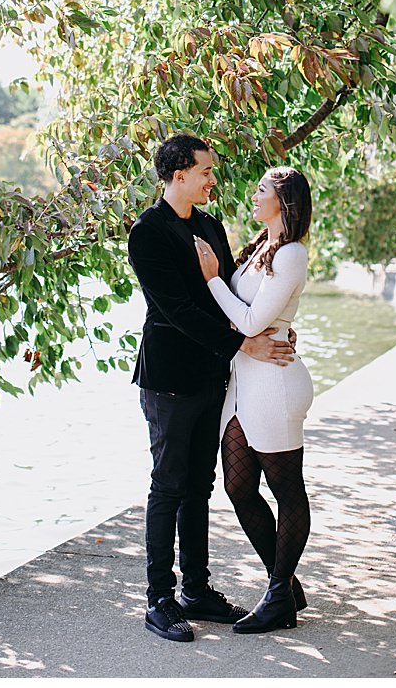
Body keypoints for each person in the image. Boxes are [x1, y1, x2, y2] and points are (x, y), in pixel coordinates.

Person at [126, 134, 297, 643]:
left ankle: (196, 590)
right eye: (205, 171)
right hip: (170, 381)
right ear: (179, 173)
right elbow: (176, 310)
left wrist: (273, 327)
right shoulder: (147, 233)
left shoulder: (209, 225)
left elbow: (227, 293)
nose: (212, 179)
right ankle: (160, 598)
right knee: (169, 484)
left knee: (199, 486)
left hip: (212, 377)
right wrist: (245, 346)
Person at [193, 167, 316, 634]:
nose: (254, 194)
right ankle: (283, 585)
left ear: (283, 201)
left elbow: (249, 321)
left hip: (276, 383)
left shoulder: (292, 255)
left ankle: (277, 594)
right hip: (244, 382)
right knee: (239, 488)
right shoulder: (258, 250)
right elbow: (243, 320)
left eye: (262, 189)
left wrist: (211, 279)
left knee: (287, 490)